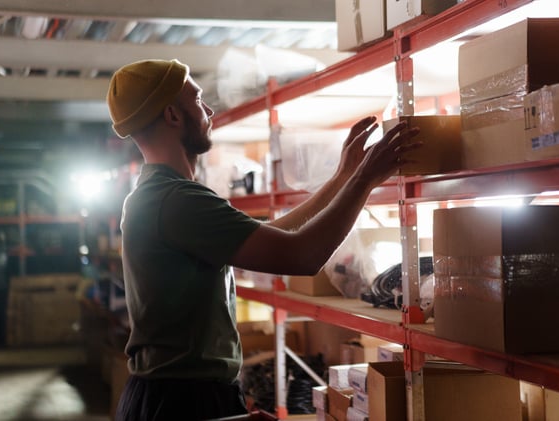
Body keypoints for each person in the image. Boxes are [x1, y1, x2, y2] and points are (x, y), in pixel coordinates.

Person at [105, 58, 421, 420]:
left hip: (174, 393)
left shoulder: (160, 195)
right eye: (197, 99)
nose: (208, 111)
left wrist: (343, 177)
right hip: (183, 399)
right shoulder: (175, 200)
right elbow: (301, 255)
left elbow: (280, 234)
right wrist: (365, 180)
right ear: (173, 115)